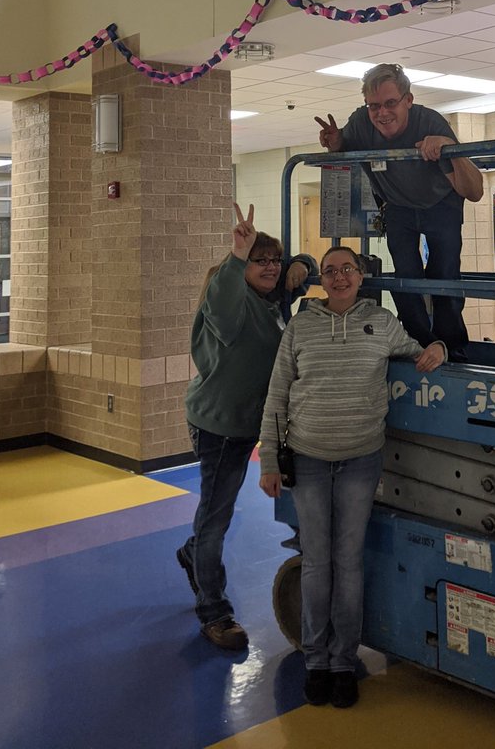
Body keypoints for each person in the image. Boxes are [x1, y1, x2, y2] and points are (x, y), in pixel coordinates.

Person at [258, 245, 446, 708]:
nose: (339, 277)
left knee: (348, 562)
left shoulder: (381, 323)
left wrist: (439, 348)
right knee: (317, 563)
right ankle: (316, 661)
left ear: (361, 276)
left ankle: (343, 663)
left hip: (361, 460)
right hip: (308, 460)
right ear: (321, 280)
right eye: (330, 271)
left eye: (347, 269)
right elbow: (277, 393)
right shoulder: (301, 325)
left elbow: (419, 351)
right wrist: (269, 461)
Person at [177, 202, 316, 652]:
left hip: (254, 424)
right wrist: (239, 254)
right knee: (216, 518)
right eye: (261, 261)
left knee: (215, 519)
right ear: (241, 268)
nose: (271, 267)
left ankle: (193, 554)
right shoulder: (229, 308)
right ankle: (213, 612)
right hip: (219, 427)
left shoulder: (271, 302)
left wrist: (301, 264)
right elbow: (222, 297)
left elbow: (305, 270)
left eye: (274, 260)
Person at [315, 62, 483, 358]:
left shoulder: (430, 123)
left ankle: (450, 347)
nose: (382, 113)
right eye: (374, 105)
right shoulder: (361, 122)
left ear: (408, 100)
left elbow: (474, 191)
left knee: (444, 275)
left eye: (390, 103)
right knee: (405, 276)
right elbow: (343, 144)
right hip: (397, 205)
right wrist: (336, 141)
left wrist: (447, 146)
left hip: (441, 203)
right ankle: (418, 344)